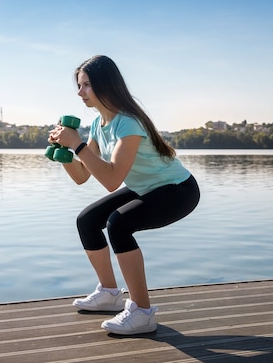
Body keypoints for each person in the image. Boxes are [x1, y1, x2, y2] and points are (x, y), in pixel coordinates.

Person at [48, 55, 200, 335]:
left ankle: (142, 312)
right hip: (147, 188)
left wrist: (78, 144)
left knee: (119, 224)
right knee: (87, 220)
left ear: (106, 85)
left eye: (86, 86)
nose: (79, 92)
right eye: (79, 86)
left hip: (178, 190)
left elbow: (111, 179)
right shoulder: (98, 125)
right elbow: (83, 175)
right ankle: (109, 293)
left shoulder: (128, 123)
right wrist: (65, 154)